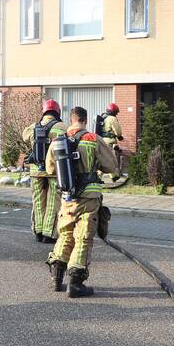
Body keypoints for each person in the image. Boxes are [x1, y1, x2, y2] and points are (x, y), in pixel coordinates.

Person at [45, 107, 117, 298]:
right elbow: (111, 165)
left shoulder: (58, 141)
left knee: (66, 234)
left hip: (67, 197)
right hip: (89, 198)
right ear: (84, 120)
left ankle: (57, 279)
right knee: (83, 237)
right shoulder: (93, 139)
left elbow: (50, 169)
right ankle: (75, 284)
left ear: (71, 120)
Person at [21, 100, 67, 243]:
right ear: (57, 112)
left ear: (44, 111)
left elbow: (24, 137)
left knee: (38, 201)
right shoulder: (62, 127)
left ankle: (38, 232)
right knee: (53, 202)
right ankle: (49, 234)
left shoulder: (33, 127)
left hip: (36, 171)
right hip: (54, 170)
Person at [100, 103, 125, 179]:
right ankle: (110, 176)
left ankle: (113, 176)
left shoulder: (104, 117)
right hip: (109, 142)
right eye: (116, 112)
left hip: (102, 140)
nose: (116, 114)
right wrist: (119, 136)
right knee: (110, 159)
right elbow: (117, 131)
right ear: (114, 111)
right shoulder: (112, 118)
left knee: (105, 159)